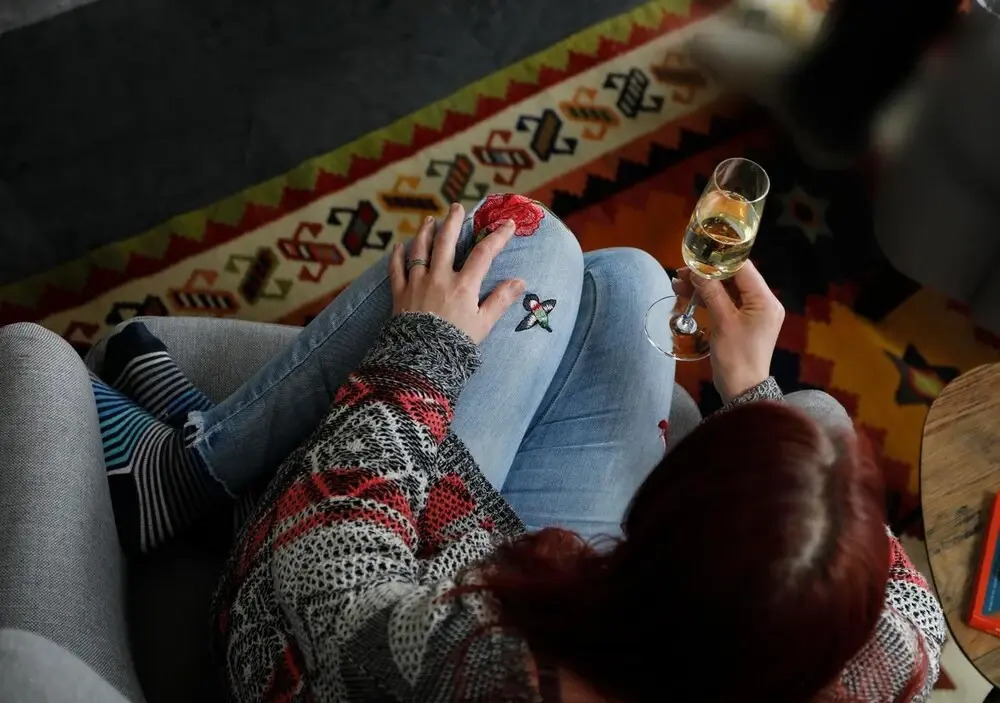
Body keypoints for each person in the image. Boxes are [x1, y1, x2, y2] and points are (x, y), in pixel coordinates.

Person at [1, 195, 944, 701]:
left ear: (654, 540)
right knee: (629, 284)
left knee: (521, 237)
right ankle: (207, 462)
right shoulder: (862, 665)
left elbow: (322, 572)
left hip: (318, 621)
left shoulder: (494, 668)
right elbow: (914, 618)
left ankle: (192, 471)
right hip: (529, 586)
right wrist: (752, 391)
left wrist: (424, 350)